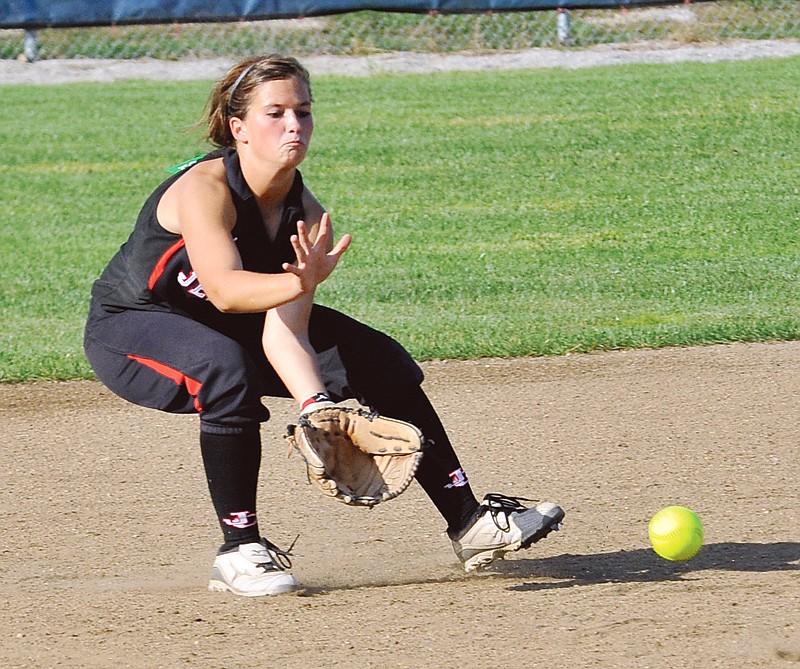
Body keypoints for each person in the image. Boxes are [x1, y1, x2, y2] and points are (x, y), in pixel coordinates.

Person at [83, 54, 565, 597]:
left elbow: (283, 330)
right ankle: (239, 549)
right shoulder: (206, 189)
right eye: (276, 113)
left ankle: (469, 521)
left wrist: (317, 407)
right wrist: (298, 282)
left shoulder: (304, 214)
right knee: (225, 369)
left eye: (303, 112)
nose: (294, 126)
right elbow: (224, 289)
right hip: (135, 325)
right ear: (238, 129)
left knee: (377, 360)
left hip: (231, 328)